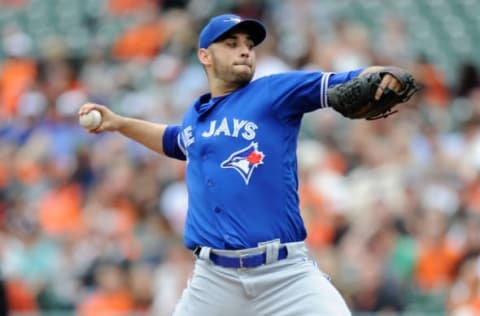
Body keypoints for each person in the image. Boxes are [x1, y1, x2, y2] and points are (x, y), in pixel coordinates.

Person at [79, 13, 408, 316]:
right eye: (231, 43)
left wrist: (382, 75)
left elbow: (344, 80)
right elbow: (176, 141)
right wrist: (120, 123)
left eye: (249, 45)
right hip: (214, 281)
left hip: (285, 276)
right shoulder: (197, 116)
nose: (244, 51)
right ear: (205, 55)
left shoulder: (273, 92)